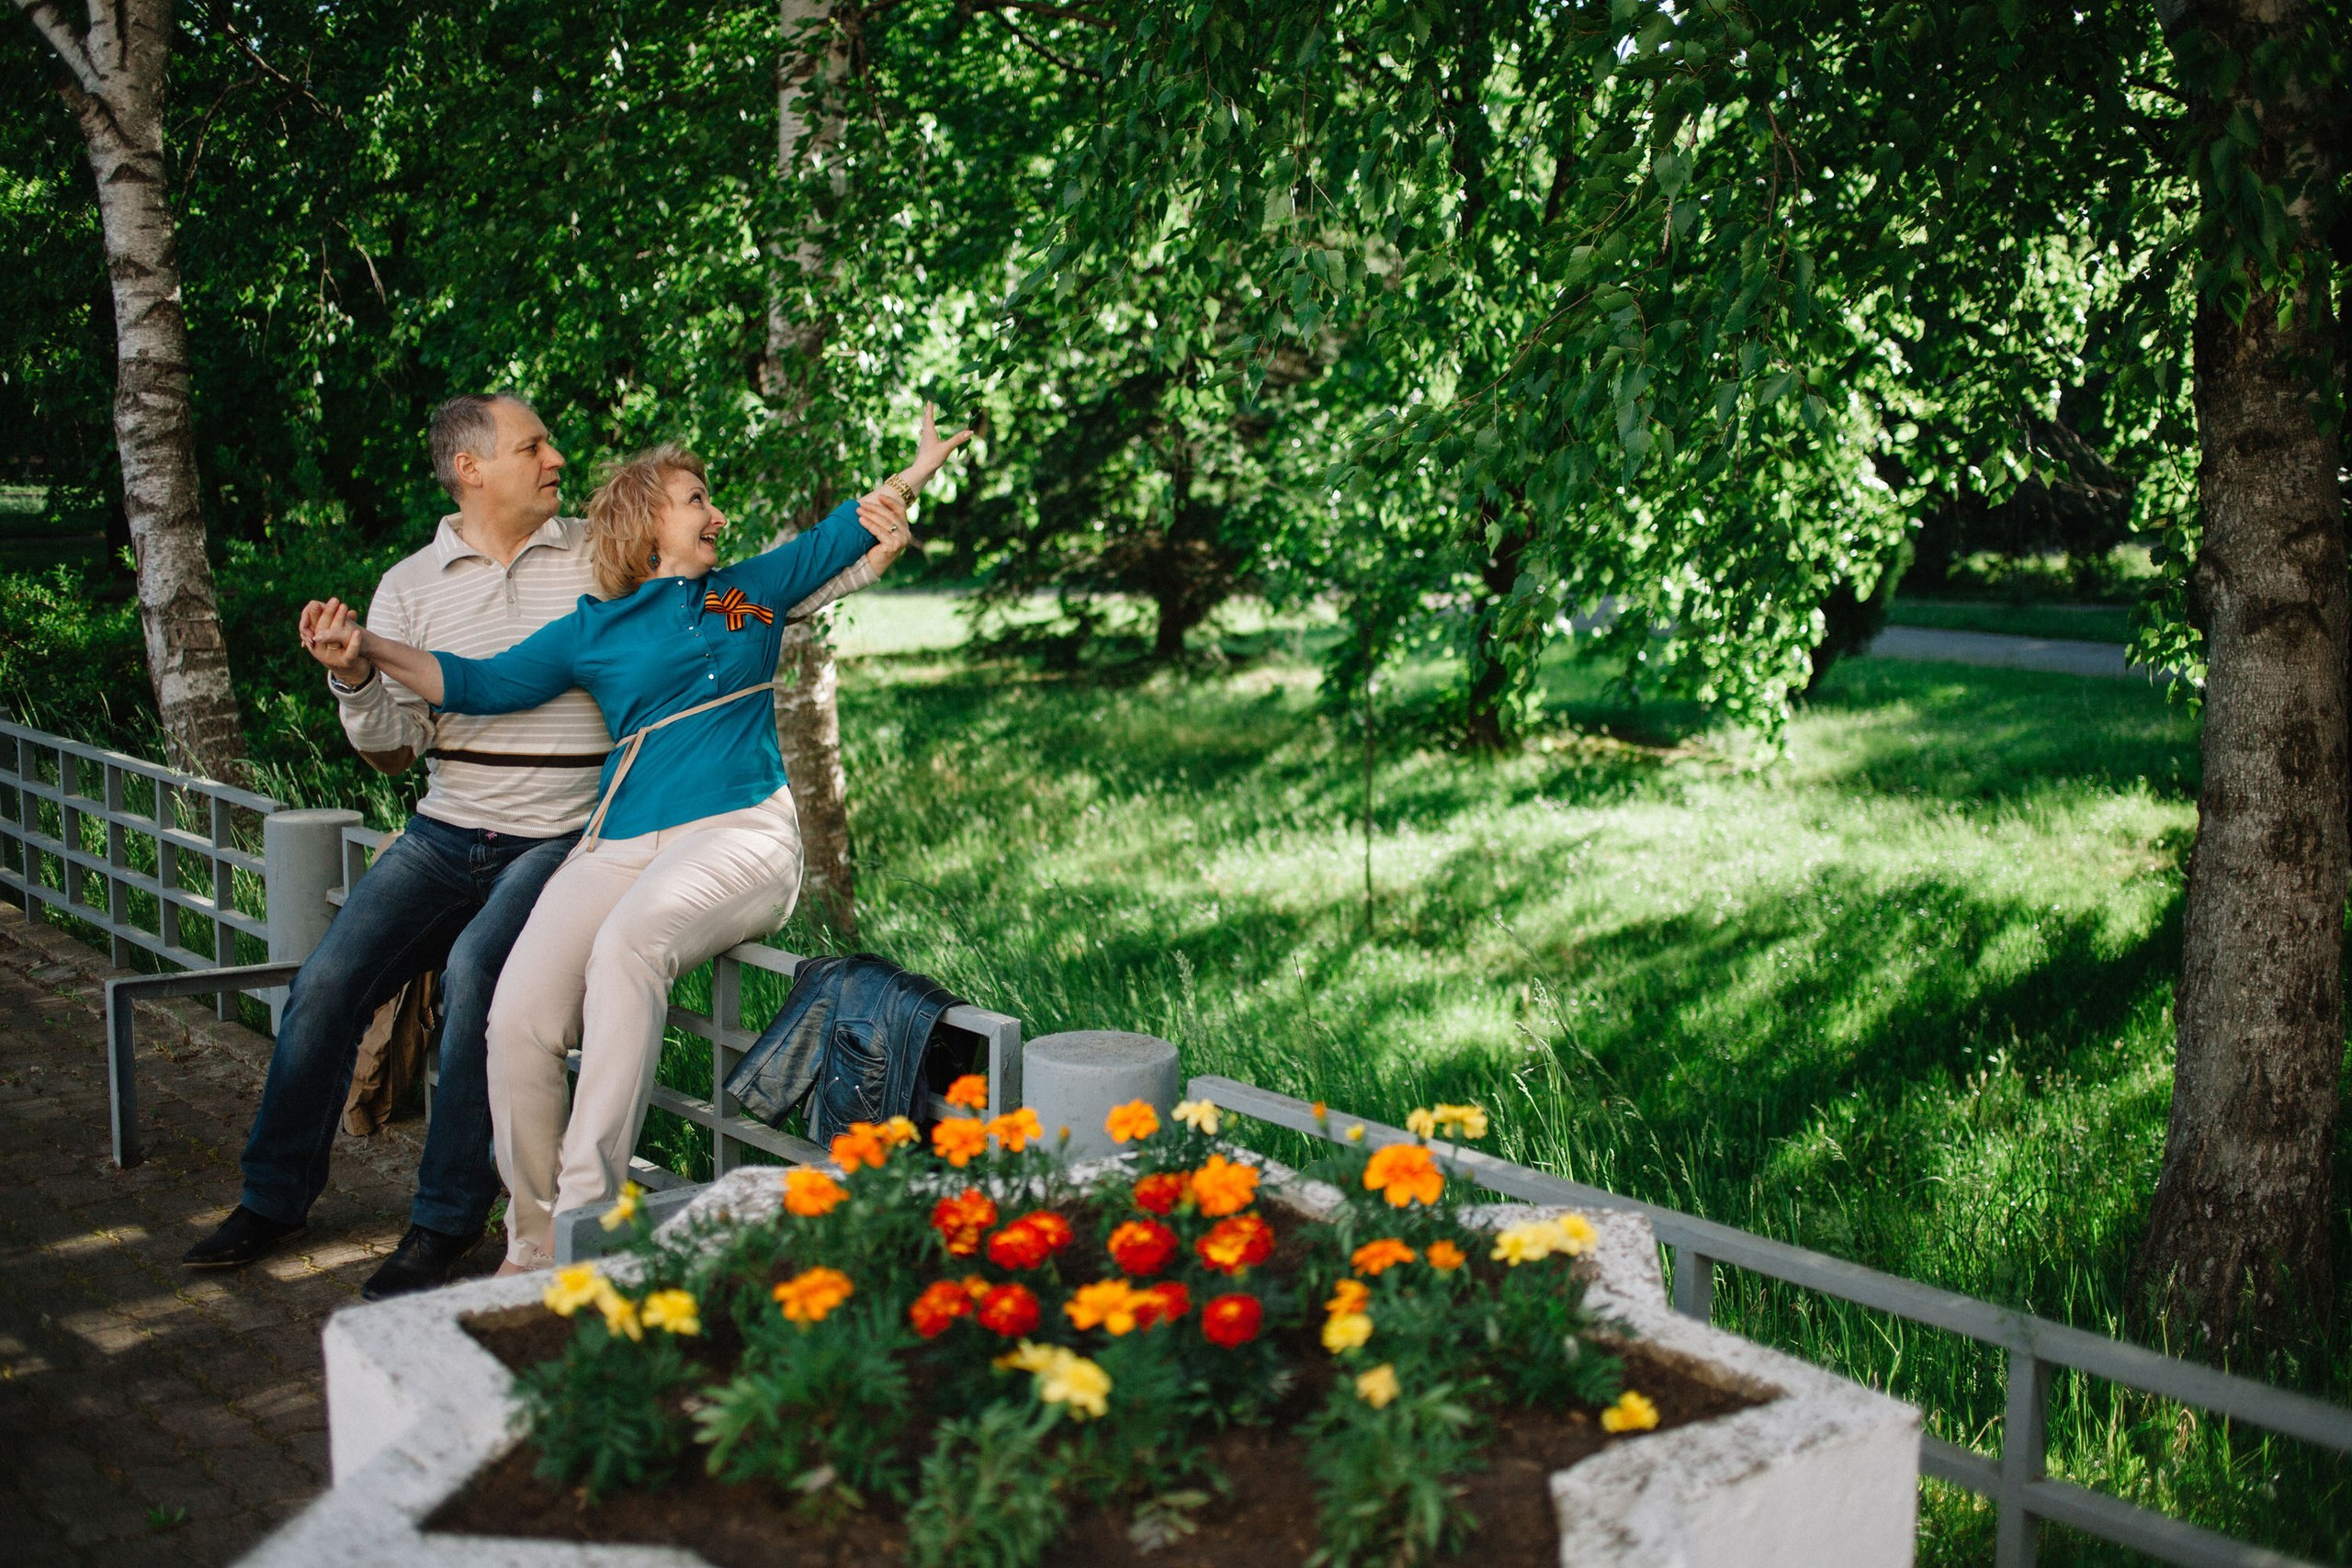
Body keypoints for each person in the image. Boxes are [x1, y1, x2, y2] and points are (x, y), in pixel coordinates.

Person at [186, 391, 893, 1300]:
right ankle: (275, 1198)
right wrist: (358, 667)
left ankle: (451, 1224)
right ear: (472, 468)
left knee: (487, 972)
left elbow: (751, 604)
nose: (555, 455)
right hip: (447, 825)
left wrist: (869, 541)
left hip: (561, 833)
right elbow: (394, 741)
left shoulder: (595, 565)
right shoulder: (408, 586)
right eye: (534, 445)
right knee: (327, 979)